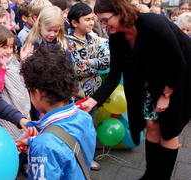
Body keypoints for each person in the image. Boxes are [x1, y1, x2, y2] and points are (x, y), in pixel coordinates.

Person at [79, 0, 191, 179]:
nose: (103, 25)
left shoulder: (155, 24)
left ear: (120, 13)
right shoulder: (116, 36)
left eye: (105, 20)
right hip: (152, 78)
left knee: (168, 129)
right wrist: (92, 101)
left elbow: (178, 65)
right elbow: (114, 75)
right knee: (151, 124)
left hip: (178, 77)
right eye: (100, 21)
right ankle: (151, 174)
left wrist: (165, 95)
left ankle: (163, 176)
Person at [19, 44, 96, 180]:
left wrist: (38, 148)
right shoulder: (84, 116)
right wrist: (34, 145)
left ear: (37, 93)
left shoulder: (44, 145)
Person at [67, 2, 110, 171]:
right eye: (87, 19)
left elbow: (107, 61)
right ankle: (72, 158)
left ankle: (87, 158)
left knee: (89, 127)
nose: (92, 23)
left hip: (93, 93)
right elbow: (77, 68)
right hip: (74, 94)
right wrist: (95, 64)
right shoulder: (69, 42)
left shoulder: (94, 39)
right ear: (74, 23)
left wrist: (90, 62)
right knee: (74, 127)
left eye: (92, 19)